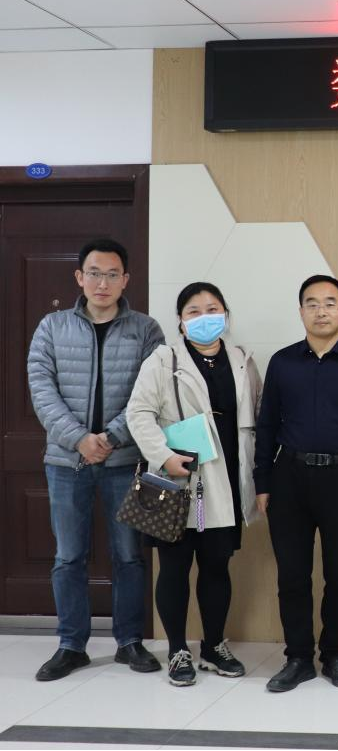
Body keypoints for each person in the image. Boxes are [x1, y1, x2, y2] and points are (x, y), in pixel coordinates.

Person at [27, 238, 165, 681]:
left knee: (129, 555)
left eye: (111, 274)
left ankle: (130, 642)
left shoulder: (146, 330)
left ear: (125, 280)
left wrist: (111, 436)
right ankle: (71, 645)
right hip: (66, 463)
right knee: (68, 556)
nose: (102, 283)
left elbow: (151, 393)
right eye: (94, 273)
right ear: (79, 277)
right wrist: (79, 439)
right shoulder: (52, 327)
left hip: (126, 461)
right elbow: (41, 390)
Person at [254, 275, 338, 692]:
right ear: (301, 312)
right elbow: (266, 426)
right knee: (292, 575)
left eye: (330, 303)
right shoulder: (282, 362)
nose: (321, 311)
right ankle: (298, 658)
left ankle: (335, 655)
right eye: (312, 303)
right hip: (289, 479)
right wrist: (263, 482)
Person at [127, 282, 262, 686]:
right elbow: (138, 412)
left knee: (217, 565)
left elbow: (257, 414)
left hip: (226, 482)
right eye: (194, 311)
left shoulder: (242, 360)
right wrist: (164, 456)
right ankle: (177, 650)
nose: (205, 317)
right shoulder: (163, 359)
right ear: (181, 321)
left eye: (213, 309)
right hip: (180, 480)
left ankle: (214, 646)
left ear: (226, 315)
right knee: (174, 568)